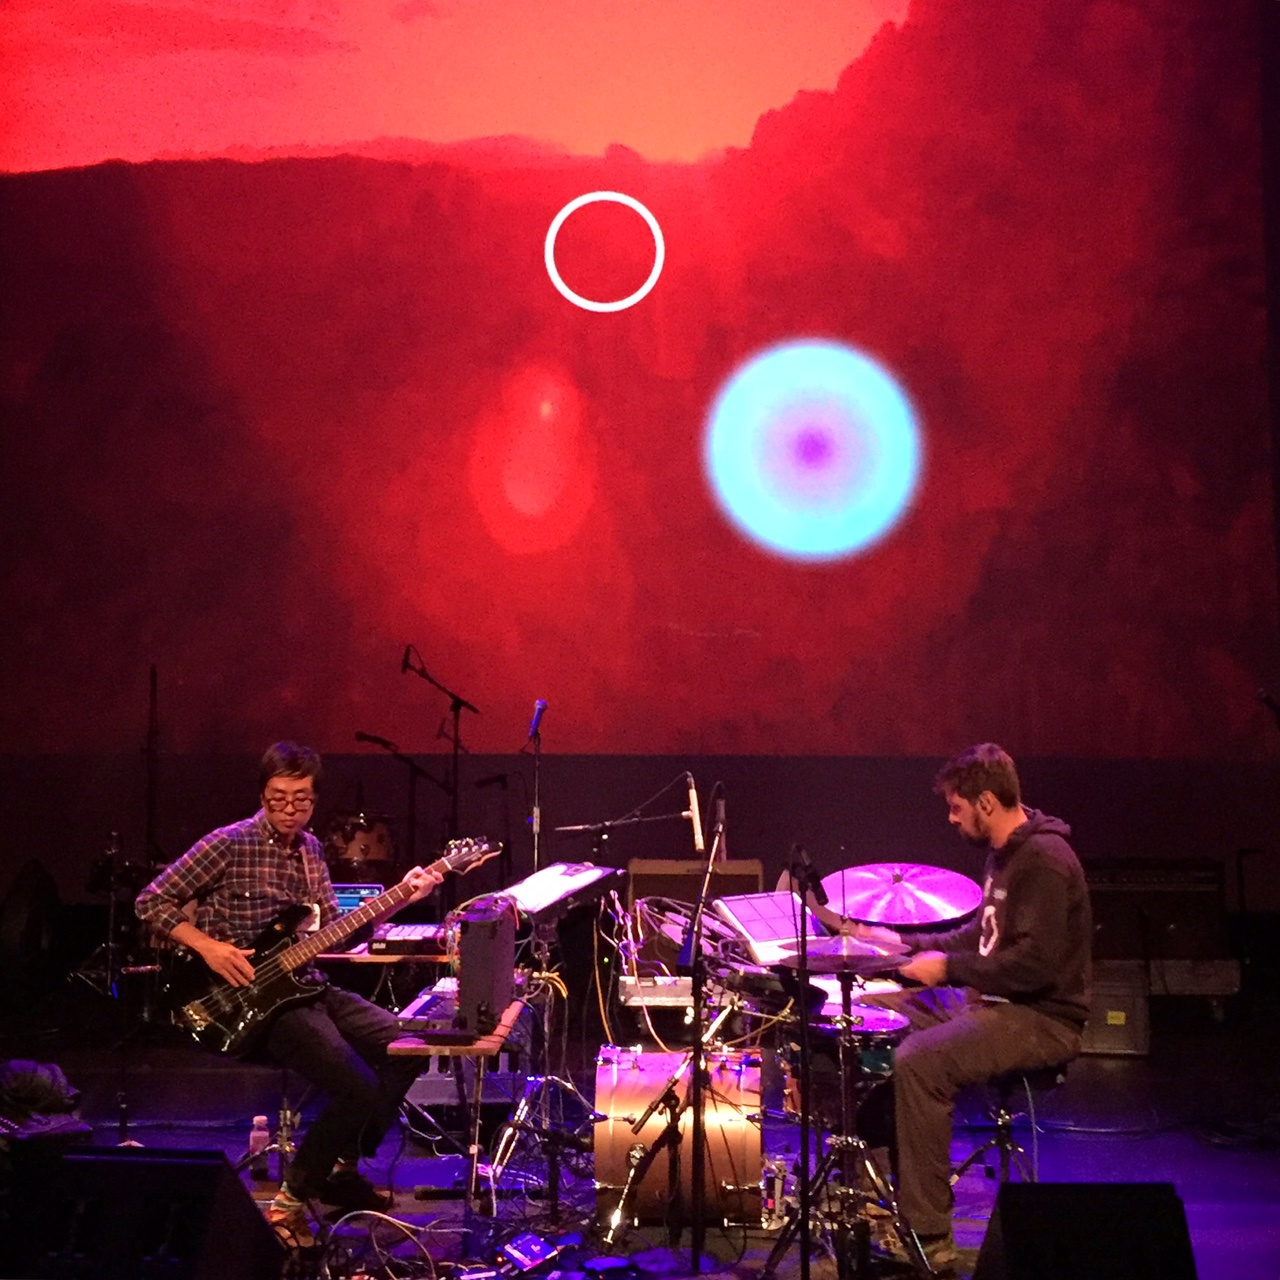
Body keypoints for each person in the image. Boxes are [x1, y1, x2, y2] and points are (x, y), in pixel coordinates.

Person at [136, 741, 442, 1247]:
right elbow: (151, 901)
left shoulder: (312, 850)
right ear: (263, 794)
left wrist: (402, 896)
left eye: (301, 799)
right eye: (278, 797)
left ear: (314, 800)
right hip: (249, 999)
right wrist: (207, 946)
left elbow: (336, 932)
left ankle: (340, 1168)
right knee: (356, 1086)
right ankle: (289, 1205)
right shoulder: (228, 843)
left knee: (405, 1045)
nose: (289, 809)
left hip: (304, 985)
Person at [855, 744, 1091, 1273]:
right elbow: (979, 938)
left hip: (1043, 1018)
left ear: (986, 802)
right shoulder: (1004, 854)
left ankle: (928, 1236)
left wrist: (947, 969)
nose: (951, 817)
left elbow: (1034, 966)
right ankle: (874, 1195)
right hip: (994, 1001)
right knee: (869, 1014)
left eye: (956, 807)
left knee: (921, 1061)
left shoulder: (1044, 861)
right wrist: (907, 945)